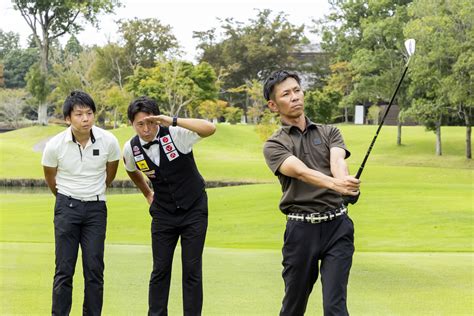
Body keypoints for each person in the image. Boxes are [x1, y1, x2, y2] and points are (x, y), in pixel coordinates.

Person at [262, 70, 361, 316]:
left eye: (297, 90)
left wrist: (345, 183)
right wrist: (336, 185)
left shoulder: (330, 132)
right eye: (286, 94)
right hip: (301, 231)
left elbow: (338, 161)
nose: (295, 97)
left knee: (335, 307)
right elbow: (301, 171)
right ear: (274, 105)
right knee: (294, 307)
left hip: (337, 227)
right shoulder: (274, 144)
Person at [122, 96, 216, 316]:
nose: (146, 129)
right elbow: (130, 169)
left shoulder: (176, 135)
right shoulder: (131, 148)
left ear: (158, 119)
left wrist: (171, 120)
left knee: (192, 270)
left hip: (194, 209)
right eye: (140, 124)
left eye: (150, 122)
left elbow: (209, 128)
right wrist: (147, 193)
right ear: (132, 124)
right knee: (160, 270)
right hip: (163, 214)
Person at [42, 91, 121, 315]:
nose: (85, 118)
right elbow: (50, 177)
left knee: (94, 270)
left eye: (89, 113)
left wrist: (95, 190)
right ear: (68, 118)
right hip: (66, 208)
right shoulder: (55, 145)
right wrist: (65, 198)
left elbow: (110, 173)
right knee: (64, 270)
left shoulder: (109, 141)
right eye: (79, 114)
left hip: (96, 209)